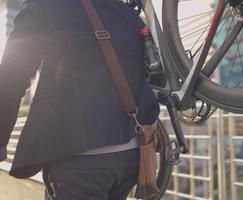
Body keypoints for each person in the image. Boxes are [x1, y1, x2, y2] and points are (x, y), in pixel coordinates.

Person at [0, 0, 160, 199]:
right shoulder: (121, 8)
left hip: (80, 157)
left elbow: (12, 75)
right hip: (134, 153)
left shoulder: (44, 5)